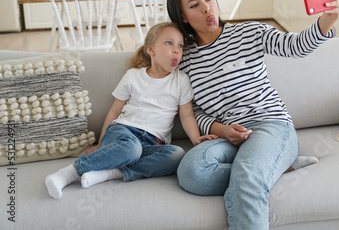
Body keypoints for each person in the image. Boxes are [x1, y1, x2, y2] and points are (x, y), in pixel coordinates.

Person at [167, 0, 339, 229]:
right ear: (183, 16)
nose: (207, 7)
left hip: (270, 125)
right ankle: (275, 167)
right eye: (194, 5)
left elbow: (294, 47)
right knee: (192, 172)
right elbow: (194, 112)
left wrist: (326, 22)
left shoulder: (249, 32)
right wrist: (223, 130)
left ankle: (259, 170)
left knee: (247, 180)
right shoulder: (185, 59)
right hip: (229, 137)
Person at [45, 22, 218, 199]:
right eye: (169, 43)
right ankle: (68, 173)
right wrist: (101, 143)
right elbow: (114, 112)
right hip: (122, 132)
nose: (176, 50)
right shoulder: (133, 76)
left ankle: (111, 173)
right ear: (151, 50)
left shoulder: (181, 80)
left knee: (176, 155)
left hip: (153, 143)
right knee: (131, 148)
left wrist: (196, 138)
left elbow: (187, 115)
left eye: (180, 46)